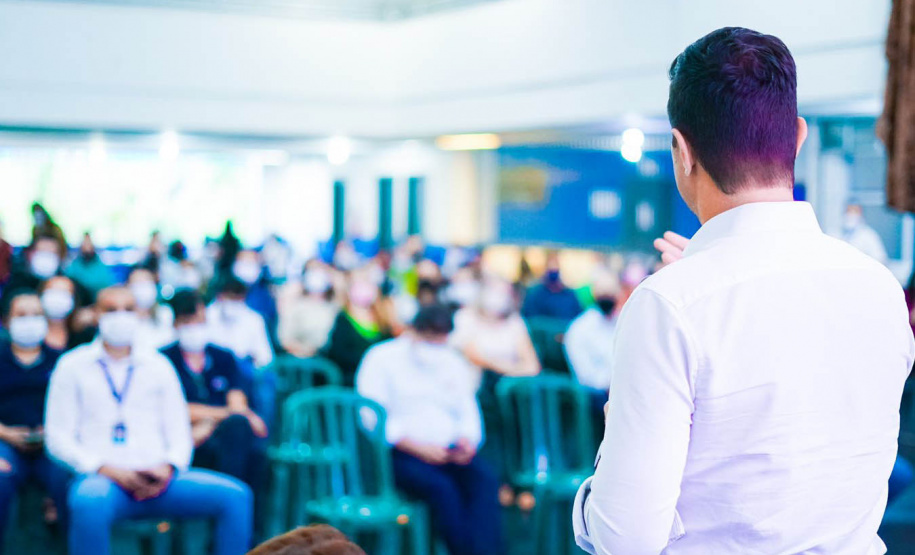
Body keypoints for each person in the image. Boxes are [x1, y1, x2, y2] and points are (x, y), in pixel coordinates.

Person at [573, 27, 915, 554]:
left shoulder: (669, 305)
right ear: (797, 137)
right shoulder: (880, 287)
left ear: (682, 151)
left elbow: (625, 539)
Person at [44, 285, 253, 555]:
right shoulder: (72, 366)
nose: (121, 317)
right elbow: (57, 438)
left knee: (236, 497)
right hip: (104, 479)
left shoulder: (157, 365)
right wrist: (105, 468)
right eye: (111, 310)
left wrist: (168, 466)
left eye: (128, 309)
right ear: (96, 315)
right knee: (88, 502)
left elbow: (179, 434)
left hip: (160, 479)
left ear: (139, 314)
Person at [356, 304, 502, 555]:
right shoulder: (380, 358)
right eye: (430, 338)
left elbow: (468, 412)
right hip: (402, 454)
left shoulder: (452, 361)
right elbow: (370, 416)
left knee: (485, 480)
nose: (434, 345)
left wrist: (467, 441)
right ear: (413, 331)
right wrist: (416, 447)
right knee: (443, 490)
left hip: (450, 451)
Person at [161, 289, 268, 495]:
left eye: (199, 321)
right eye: (187, 322)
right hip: (183, 433)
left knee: (240, 432)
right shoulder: (164, 360)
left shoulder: (223, 357)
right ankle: (231, 498)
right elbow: (177, 409)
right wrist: (223, 414)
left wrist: (211, 420)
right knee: (233, 428)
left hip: (222, 431)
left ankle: (237, 500)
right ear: (175, 324)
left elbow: (237, 402)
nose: (194, 328)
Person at [0, 290, 68, 546]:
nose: (30, 321)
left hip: (53, 444)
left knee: (68, 480)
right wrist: (5, 433)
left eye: (37, 315)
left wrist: (52, 432)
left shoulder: (62, 361)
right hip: (5, 441)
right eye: (21, 315)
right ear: (6, 321)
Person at [563, 272, 621, 414]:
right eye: (603, 292)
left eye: (611, 291)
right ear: (594, 293)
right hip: (595, 398)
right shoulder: (579, 329)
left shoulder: (623, 322)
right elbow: (586, 377)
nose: (607, 296)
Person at [323, 270, 393, 387]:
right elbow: (337, 354)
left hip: (379, 380)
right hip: (351, 381)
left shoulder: (383, 318)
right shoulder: (342, 319)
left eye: (367, 283)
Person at [206, 276, 274, 371]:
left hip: (245, 370)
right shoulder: (205, 317)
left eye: (238, 299)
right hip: (214, 369)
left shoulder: (254, 319)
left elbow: (265, 357)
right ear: (220, 296)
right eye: (230, 297)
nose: (234, 302)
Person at [278, 266, 338, 358]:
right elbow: (284, 337)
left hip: (324, 358)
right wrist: (300, 350)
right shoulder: (295, 306)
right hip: (294, 359)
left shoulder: (334, 308)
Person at [520, 252, 582, 321]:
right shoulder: (535, 295)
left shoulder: (570, 295)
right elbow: (530, 318)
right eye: (551, 267)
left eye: (555, 267)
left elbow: (578, 319)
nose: (553, 270)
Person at [127, 266, 176, 353]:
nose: (143, 288)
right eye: (138, 284)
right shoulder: (124, 319)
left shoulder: (165, 313)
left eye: (147, 283)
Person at [65, 232, 115, 300]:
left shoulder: (101, 266)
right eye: (85, 243)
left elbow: (104, 285)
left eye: (89, 243)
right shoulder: (73, 265)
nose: (87, 246)